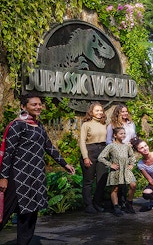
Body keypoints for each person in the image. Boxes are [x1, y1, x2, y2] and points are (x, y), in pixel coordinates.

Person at [0, 95, 76, 244]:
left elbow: (49, 147)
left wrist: (65, 164)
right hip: (18, 177)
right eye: (34, 104)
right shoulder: (18, 125)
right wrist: (3, 177)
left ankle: (24, 242)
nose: (38, 107)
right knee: (5, 212)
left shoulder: (39, 126)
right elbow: (8, 152)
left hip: (35, 176)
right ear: (23, 107)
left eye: (40, 104)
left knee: (29, 213)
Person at [97, 126, 137, 216]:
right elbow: (101, 157)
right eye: (121, 133)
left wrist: (131, 164)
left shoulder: (127, 146)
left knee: (133, 185)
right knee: (115, 188)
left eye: (124, 133)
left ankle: (129, 203)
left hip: (126, 169)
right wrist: (110, 165)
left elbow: (132, 156)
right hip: (116, 169)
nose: (123, 135)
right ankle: (116, 207)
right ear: (115, 135)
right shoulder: (111, 146)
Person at [79, 101, 108, 214]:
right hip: (90, 151)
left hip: (103, 151)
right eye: (97, 110)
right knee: (88, 181)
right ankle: (88, 205)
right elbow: (81, 141)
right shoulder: (86, 124)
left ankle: (97, 202)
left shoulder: (105, 124)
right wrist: (85, 157)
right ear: (91, 112)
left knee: (102, 179)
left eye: (101, 110)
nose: (100, 112)